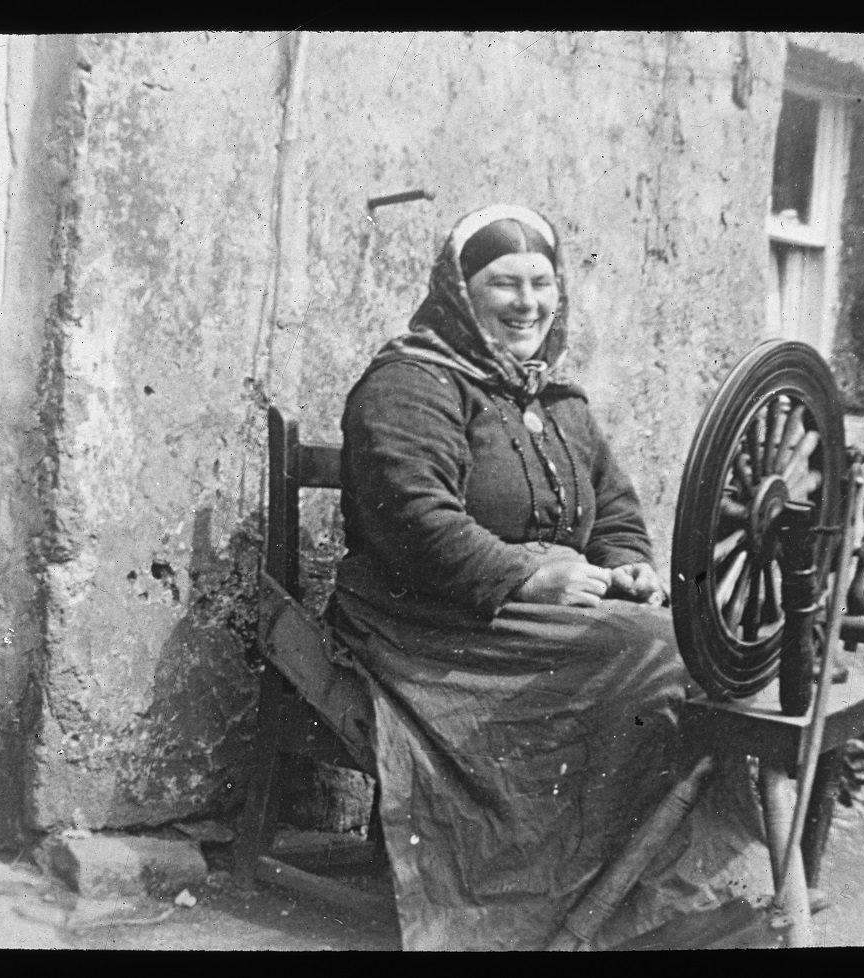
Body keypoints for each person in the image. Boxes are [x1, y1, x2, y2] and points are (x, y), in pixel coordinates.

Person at [329, 204, 772, 950]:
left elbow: (614, 509)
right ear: (459, 293)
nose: (526, 302)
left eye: (541, 282)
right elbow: (411, 518)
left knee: (674, 644)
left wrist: (627, 567)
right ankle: (571, 904)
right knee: (658, 653)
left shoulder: (559, 401)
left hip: (528, 615)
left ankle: (651, 895)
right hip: (428, 621)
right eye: (504, 283)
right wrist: (524, 578)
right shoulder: (410, 384)